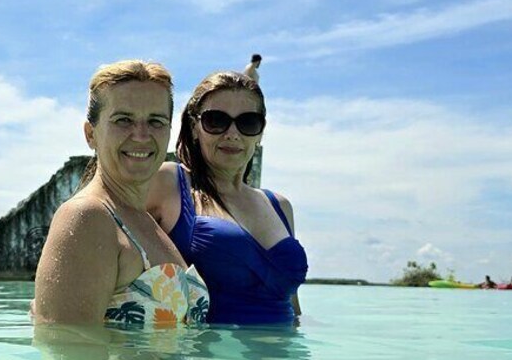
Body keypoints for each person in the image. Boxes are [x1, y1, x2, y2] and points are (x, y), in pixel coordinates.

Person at [33, 60, 208, 328]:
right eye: (123, 120)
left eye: (156, 121)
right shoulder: (87, 218)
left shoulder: (144, 221)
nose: (141, 135)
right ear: (91, 134)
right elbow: (65, 354)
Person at [146, 71, 307, 325]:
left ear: (261, 133)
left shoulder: (280, 206)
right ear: (194, 128)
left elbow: (294, 309)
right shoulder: (168, 182)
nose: (232, 133)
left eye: (248, 122)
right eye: (216, 120)